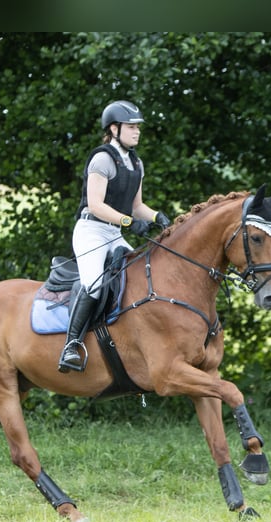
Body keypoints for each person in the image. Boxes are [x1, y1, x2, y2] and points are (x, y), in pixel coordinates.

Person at [58, 100, 171, 373]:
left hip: (114, 232)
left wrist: (156, 217)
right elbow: (95, 204)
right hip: (91, 231)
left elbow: (137, 206)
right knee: (94, 284)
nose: (137, 132)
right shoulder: (102, 159)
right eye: (131, 127)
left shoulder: (136, 163)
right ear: (114, 128)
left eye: (138, 127)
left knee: (142, 277)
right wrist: (129, 222)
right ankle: (70, 346)